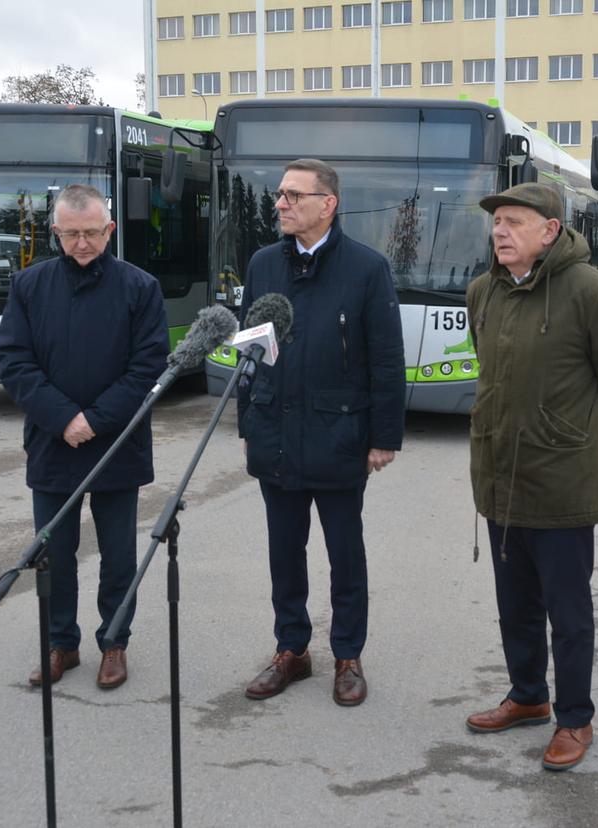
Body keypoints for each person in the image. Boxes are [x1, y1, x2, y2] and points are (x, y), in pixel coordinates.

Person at [464, 182, 598, 771]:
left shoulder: (592, 292)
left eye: (514, 222)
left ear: (550, 230)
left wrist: (581, 445)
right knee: (513, 603)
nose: (500, 231)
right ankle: (527, 697)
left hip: (564, 485)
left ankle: (575, 719)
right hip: (499, 479)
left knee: (568, 613)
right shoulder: (482, 292)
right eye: (497, 223)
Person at [238, 158, 405, 707]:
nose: (280, 203)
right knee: (284, 553)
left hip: (339, 437)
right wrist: (248, 422)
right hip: (276, 434)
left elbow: (385, 358)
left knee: (344, 554)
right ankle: (292, 650)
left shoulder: (366, 268)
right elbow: (250, 349)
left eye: (293, 195)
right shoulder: (263, 264)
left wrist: (384, 437)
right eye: (280, 194)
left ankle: (348, 655)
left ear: (327, 203)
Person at [0, 184, 169, 690]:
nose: (82, 244)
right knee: (54, 552)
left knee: (118, 555)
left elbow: (147, 369)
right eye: (71, 235)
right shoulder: (30, 286)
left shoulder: (140, 288)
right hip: (53, 442)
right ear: (56, 232)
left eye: (92, 233)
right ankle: (60, 644)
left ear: (109, 229)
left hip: (118, 443)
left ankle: (113, 643)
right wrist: (63, 418)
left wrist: (93, 419)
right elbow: (14, 360)